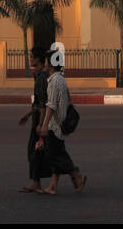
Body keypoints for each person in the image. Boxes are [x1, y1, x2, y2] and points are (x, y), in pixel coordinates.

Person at [35, 54, 86, 195]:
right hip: (59, 124)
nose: (44, 63)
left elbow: (50, 105)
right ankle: (53, 186)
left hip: (54, 125)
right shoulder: (59, 79)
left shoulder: (54, 81)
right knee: (58, 153)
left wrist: (44, 125)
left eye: (45, 61)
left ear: (51, 63)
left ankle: (75, 174)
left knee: (54, 156)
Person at [17, 48, 51, 193]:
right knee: (37, 150)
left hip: (41, 119)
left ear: (39, 60)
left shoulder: (42, 78)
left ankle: (37, 183)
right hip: (37, 116)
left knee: (35, 150)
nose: (30, 59)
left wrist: (40, 124)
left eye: (32, 57)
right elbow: (38, 103)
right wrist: (27, 114)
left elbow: (43, 104)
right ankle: (37, 181)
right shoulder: (38, 76)